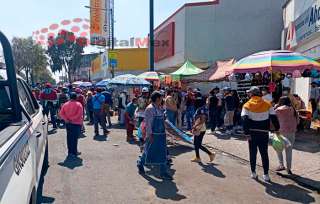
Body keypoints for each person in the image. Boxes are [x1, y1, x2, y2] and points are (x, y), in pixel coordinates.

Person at [242, 86, 280, 182]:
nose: (248, 94)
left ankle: (253, 173)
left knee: (252, 153)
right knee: (264, 153)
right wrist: (277, 129)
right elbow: (274, 117)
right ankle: (266, 175)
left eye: (249, 93)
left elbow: (244, 120)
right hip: (264, 133)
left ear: (251, 94)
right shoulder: (267, 104)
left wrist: (246, 133)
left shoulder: (246, 105)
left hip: (252, 133)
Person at [137, 91, 173, 180]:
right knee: (147, 151)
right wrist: (150, 135)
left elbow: (162, 120)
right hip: (153, 135)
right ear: (157, 99)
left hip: (161, 134)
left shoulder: (159, 108)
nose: (162, 100)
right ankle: (140, 163)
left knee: (162, 153)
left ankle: (163, 172)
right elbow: (148, 123)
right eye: (161, 98)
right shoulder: (150, 109)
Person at [275, 96, 299, 175]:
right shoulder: (294, 110)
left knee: (279, 149)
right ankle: (289, 169)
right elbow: (298, 121)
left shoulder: (278, 110)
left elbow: (272, 119)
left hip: (280, 132)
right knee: (289, 151)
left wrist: (275, 106)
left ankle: (281, 165)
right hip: (291, 132)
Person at [59, 92, 84, 157]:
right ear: (76, 97)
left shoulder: (65, 104)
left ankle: (70, 152)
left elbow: (61, 113)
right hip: (76, 123)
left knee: (69, 137)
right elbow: (80, 114)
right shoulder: (79, 104)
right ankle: (74, 152)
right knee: (75, 138)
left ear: (69, 97)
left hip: (68, 123)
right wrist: (72, 119)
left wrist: (67, 119)